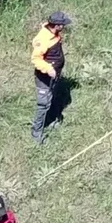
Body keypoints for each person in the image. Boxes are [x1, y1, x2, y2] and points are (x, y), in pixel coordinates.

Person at [30, 11, 72, 145]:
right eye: (62, 24)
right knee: (43, 104)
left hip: (54, 76)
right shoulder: (43, 39)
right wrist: (49, 69)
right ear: (57, 25)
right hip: (44, 78)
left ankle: (52, 119)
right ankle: (36, 133)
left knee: (52, 97)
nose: (64, 27)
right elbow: (36, 59)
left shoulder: (53, 33)